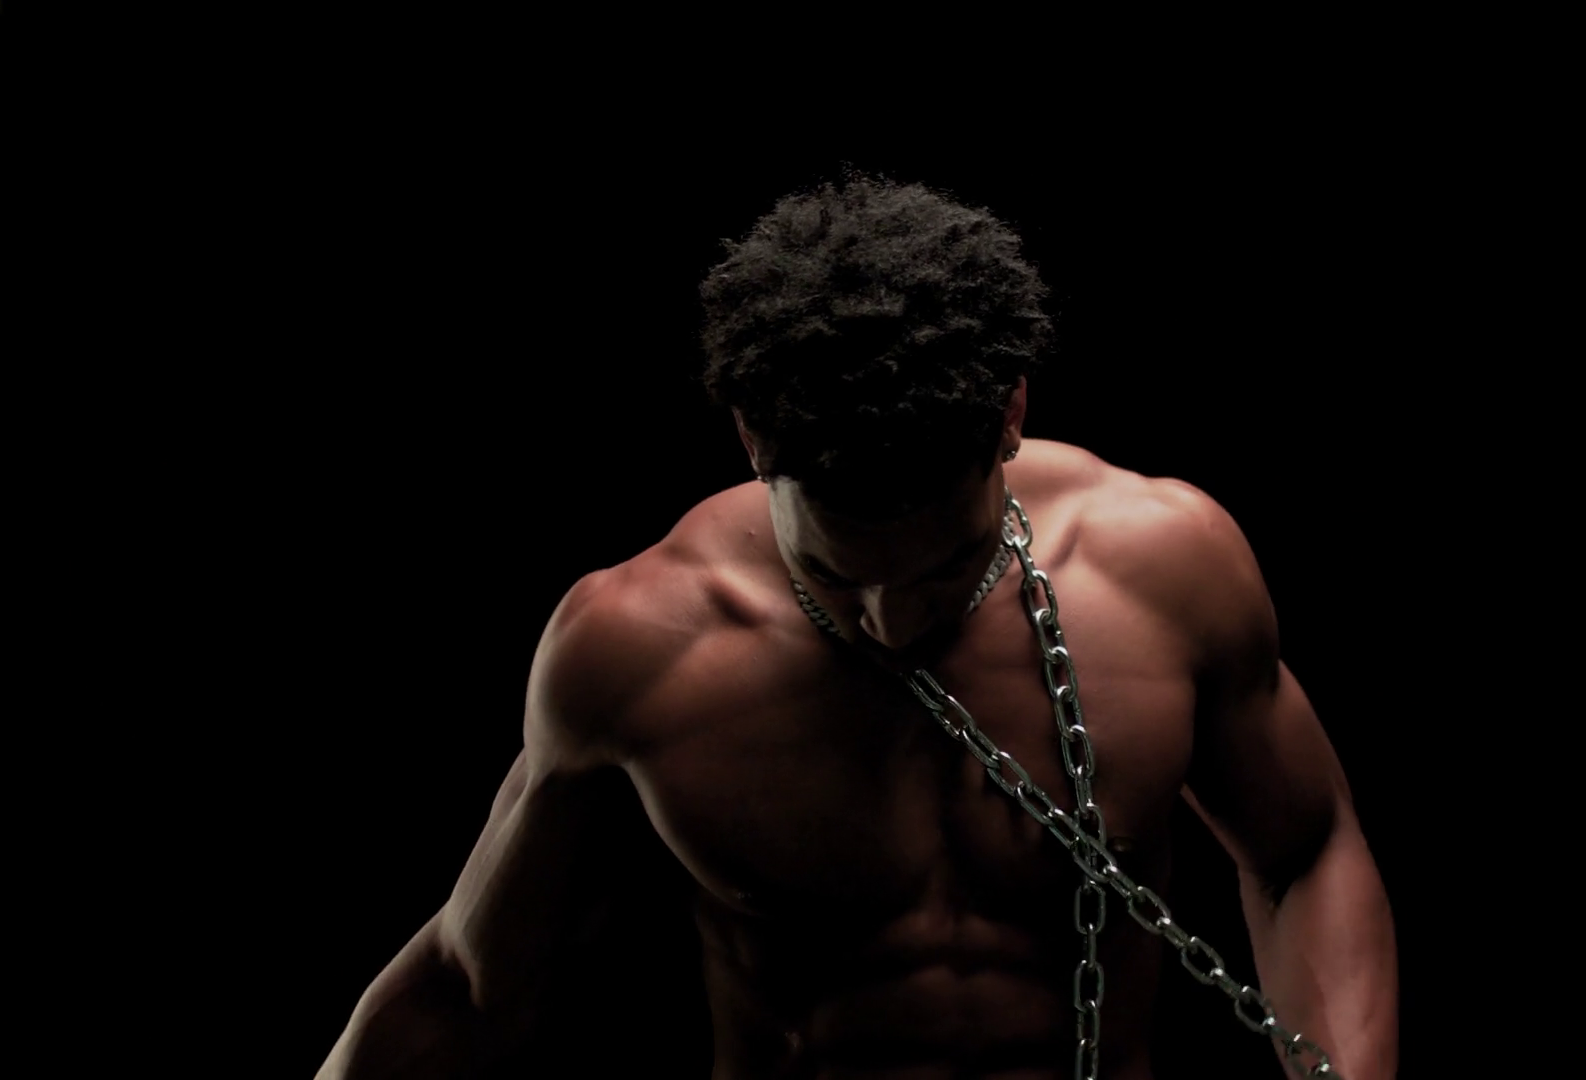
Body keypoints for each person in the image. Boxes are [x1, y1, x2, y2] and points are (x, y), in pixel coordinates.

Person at [317, 177, 1398, 1080]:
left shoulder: (1167, 569)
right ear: (753, 440)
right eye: (835, 574)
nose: (890, 620)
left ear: (1010, 416)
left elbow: (1303, 850)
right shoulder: (637, 649)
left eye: (946, 568)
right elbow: (468, 987)